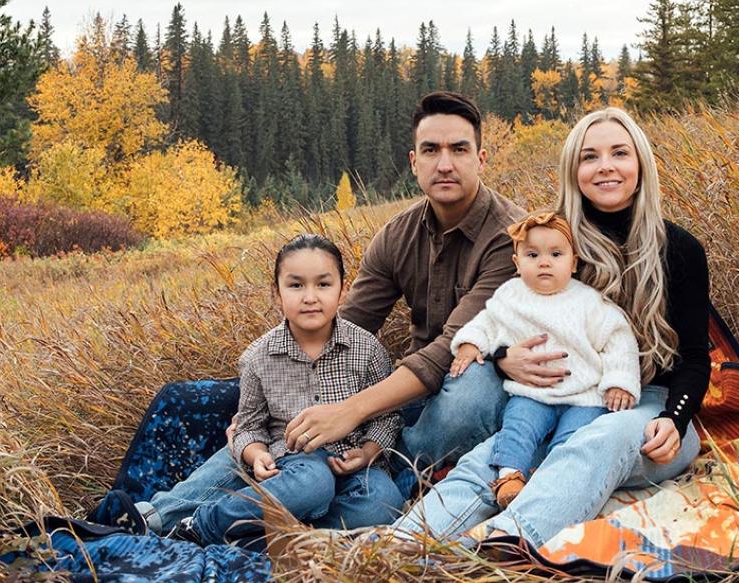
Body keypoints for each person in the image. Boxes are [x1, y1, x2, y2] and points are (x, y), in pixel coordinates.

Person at [395, 106, 711, 548]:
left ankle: (504, 548)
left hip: (643, 404)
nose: (605, 167)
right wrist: (504, 360)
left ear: (640, 162)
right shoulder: (551, 245)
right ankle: (391, 551)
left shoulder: (678, 248)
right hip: (555, 396)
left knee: (595, 442)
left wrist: (674, 419)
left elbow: (696, 357)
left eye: (619, 153)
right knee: (493, 458)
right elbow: (508, 319)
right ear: (573, 169)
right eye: (589, 156)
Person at [282, 91, 527, 495]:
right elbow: (344, 330)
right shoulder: (398, 234)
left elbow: (449, 348)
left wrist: (351, 412)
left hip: (477, 379)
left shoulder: (512, 238)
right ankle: (158, 512)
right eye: (430, 150)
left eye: (459, 150)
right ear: (414, 162)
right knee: (278, 409)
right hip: (412, 388)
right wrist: (279, 391)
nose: (444, 164)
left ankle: (395, 470)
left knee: (472, 395)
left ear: (481, 160)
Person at [133, 234, 405, 543]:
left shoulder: (367, 348)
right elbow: (248, 426)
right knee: (313, 482)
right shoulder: (258, 357)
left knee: (383, 503)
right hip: (292, 468)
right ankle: (203, 524)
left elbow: (387, 417)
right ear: (276, 294)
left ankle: (264, 535)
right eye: (296, 285)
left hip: (352, 469)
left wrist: (368, 452)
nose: (310, 297)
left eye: (323, 284)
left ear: (343, 291)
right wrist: (255, 454)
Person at [448, 211, 640, 508]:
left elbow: (618, 339)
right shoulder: (510, 296)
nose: (544, 262)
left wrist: (619, 382)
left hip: (584, 396)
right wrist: (470, 344)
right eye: (533, 254)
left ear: (574, 262)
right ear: (517, 262)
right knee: (517, 428)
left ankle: (551, 480)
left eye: (556, 254)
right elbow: (486, 322)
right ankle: (510, 476)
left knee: (575, 439)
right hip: (532, 394)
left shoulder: (589, 302)